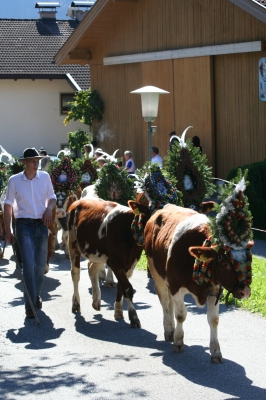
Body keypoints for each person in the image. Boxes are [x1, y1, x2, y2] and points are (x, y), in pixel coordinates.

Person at [3, 147, 56, 319]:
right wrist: (8, 230)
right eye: (33, 161)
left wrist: (49, 209)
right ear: (25, 163)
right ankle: (30, 305)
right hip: (23, 224)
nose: (36, 164)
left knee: (40, 266)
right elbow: (8, 205)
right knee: (28, 264)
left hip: (41, 223)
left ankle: (35, 294)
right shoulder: (14, 180)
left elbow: (53, 197)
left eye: (38, 161)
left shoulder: (45, 178)